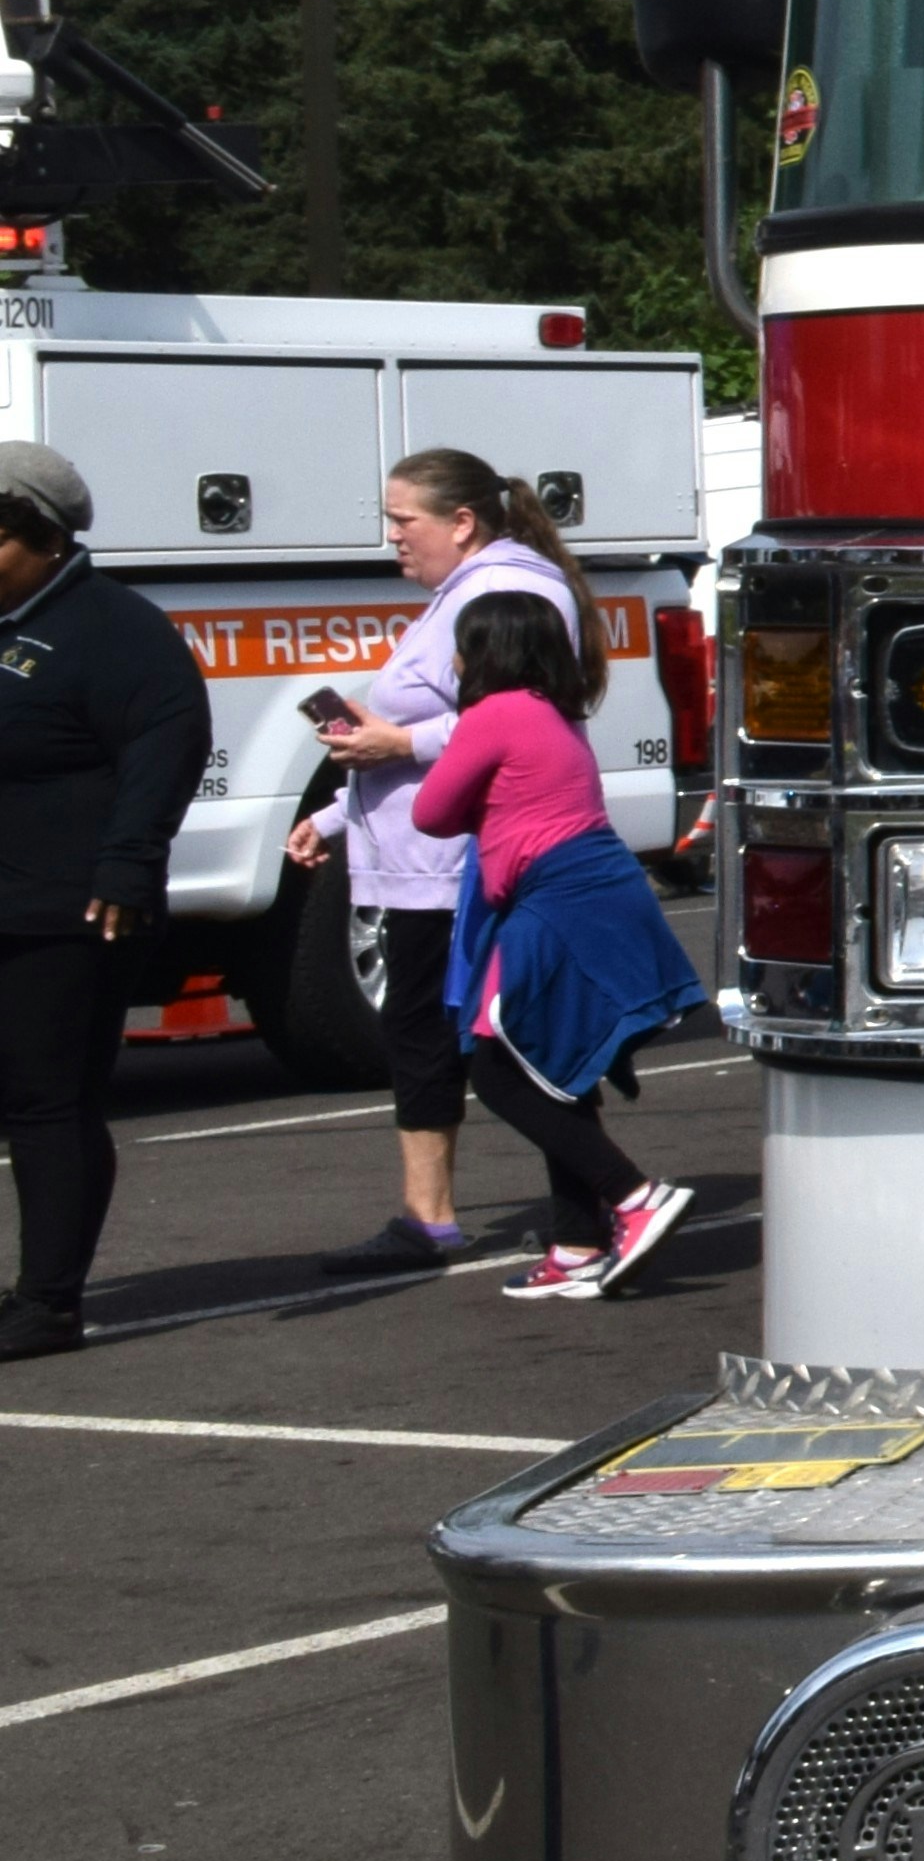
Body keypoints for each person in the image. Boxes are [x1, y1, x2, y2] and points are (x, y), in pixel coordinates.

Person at [289, 451, 586, 1274]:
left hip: (471, 861)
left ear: (461, 522)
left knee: (505, 1040)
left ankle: (594, 1210)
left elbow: (529, 715)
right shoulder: (458, 592)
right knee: (420, 1027)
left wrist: (399, 740)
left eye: (403, 520)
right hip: (422, 860)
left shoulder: (508, 588)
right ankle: (435, 1217)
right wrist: (334, 815)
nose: (393, 537)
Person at [413, 590, 701, 1300]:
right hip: (596, 887)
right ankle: (576, 1244)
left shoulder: (495, 712)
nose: (454, 660)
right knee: (553, 1066)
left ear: (489, 652)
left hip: (560, 896)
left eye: (462, 645)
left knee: (499, 1071)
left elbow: (430, 812)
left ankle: (635, 1196)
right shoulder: (554, 713)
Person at [0, 438, 218, 1358]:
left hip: (70, 909)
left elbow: (168, 743)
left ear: (46, 537)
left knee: (48, 1100)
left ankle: (49, 1302)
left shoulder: (113, 628)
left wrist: (127, 863)